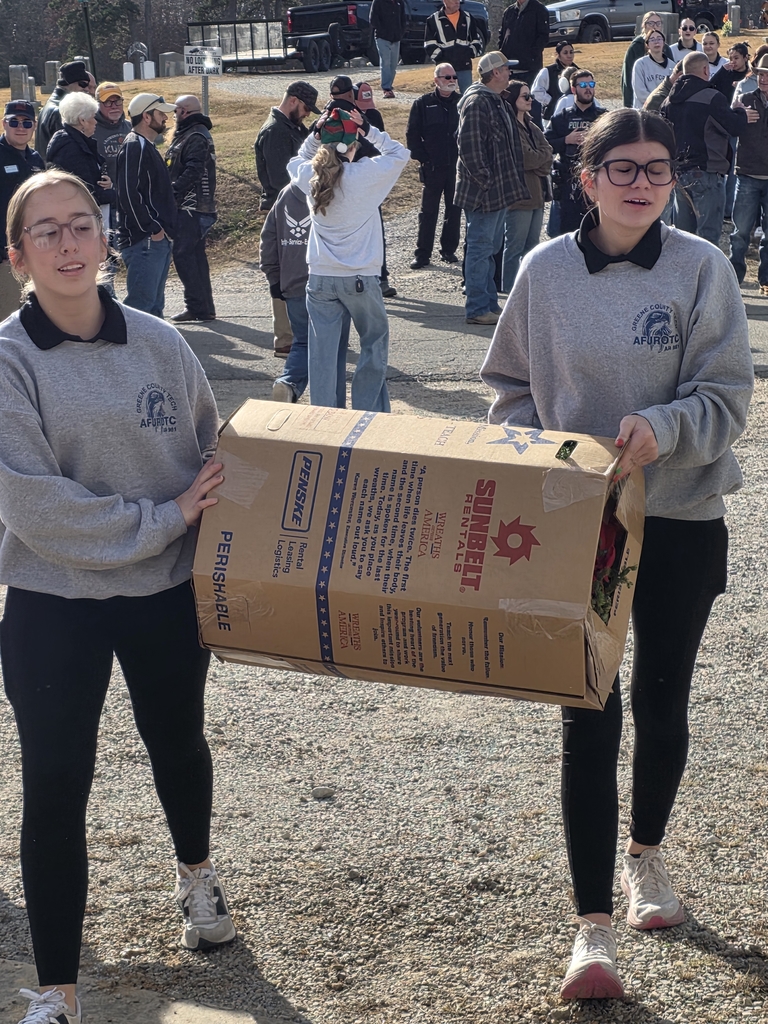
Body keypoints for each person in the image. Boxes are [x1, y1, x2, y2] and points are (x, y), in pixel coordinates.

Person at [480, 107, 753, 1002]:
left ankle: (649, 859)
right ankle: (590, 927)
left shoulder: (702, 267)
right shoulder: (543, 271)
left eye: (659, 169)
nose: (642, 183)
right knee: (586, 711)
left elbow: (726, 399)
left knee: (663, 697)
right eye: (622, 168)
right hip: (576, 526)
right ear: (586, 176)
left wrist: (663, 430)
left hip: (678, 517)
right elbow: (508, 389)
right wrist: (555, 457)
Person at [0, 168, 236, 1024]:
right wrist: (167, 515)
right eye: (47, 232)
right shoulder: (7, 360)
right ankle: (57, 989)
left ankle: (198, 879)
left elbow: (211, 445)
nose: (68, 244)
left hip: (163, 594)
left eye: (81, 226)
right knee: (56, 784)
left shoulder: (159, 342)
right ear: (19, 255)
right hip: (51, 600)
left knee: (179, 743)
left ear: (106, 240)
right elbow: (36, 507)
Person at [287, 107, 409, 411]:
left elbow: (295, 160)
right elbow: (399, 153)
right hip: (360, 277)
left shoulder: (310, 177)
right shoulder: (364, 175)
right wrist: (368, 129)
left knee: (323, 354)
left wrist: (314, 136)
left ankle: (326, 418)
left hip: (320, 278)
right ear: (353, 147)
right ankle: (369, 414)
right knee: (373, 343)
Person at [454, 51, 529, 325]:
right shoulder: (477, 102)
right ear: (495, 72)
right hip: (483, 193)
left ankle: (488, 303)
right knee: (481, 247)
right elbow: (470, 150)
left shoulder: (495, 100)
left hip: (495, 191)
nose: (510, 72)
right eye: (507, 68)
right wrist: (486, 182)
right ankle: (476, 308)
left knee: (490, 247)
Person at [259, 180, 350, 405]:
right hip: (327, 279)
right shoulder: (336, 190)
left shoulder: (286, 192)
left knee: (303, 341)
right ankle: (331, 406)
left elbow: (268, 237)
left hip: (292, 282)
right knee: (332, 347)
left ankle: (289, 382)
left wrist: (274, 278)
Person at [255, 81, 321, 356]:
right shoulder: (275, 132)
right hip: (284, 209)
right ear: (293, 101)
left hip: (297, 207)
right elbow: (282, 179)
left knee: (299, 270)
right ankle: (286, 337)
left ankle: (303, 333)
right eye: (306, 108)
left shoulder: (291, 128)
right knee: (283, 272)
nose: (307, 114)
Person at [661, 51, 752, 245]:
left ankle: (684, 275)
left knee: (683, 237)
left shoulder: (668, 101)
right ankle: (705, 276)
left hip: (678, 174)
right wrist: (739, 111)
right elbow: (734, 127)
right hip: (706, 172)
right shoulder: (711, 97)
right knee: (707, 238)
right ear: (705, 69)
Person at [325, 77, 398, 299]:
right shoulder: (348, 117)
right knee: (368, 231)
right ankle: (374, 278)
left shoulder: (327, 118)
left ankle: (364, 277)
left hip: (337, 182)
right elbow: (381, 150)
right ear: (351, 94)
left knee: (344, 233)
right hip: (354, 180)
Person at [115, 93, 178, 318]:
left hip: (154, 240)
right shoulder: (134, 146)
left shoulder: (145, 145)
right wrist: (152, 228)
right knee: (140, 310)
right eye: (161, 114)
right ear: (146, 116)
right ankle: (127, 354)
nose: (165, 119)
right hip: (145, 240)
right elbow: (128, 193)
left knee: (153, 310)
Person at [166, 94, 217, 324]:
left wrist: (172, 192)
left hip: (193, 207)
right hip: (195, 207)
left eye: (175, 111)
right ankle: (204, 308)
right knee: (195, 255)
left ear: (184, 111)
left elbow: (194, 170)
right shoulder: (192, 133)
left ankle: (195, 307)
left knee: (184, 254)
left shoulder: (195, 135)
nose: (173, 116)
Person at [406, 62, 461, 269]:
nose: (452, 81)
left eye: (454, 77)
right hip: (433, 167)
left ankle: (448, 250)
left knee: (454, 211)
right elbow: (412, 135)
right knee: (428, 212)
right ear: (436, 80)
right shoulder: (422, 103)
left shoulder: (462, 102)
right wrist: (424, 159)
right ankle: (422, 254)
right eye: (447, 77)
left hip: (456, 168)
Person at [501, 79, 552, 291]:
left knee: (532, 248)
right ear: (513, 99)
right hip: (520, 197)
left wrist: (538, 163)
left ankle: (526, 290)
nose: (530, 99)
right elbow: (526, 159)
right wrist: (539, 162)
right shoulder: (510, 127)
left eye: (530, 95)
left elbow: (548, 153)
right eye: (525, 96)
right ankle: (509, 291)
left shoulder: (531, 125)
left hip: (538, 194)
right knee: (514, 248)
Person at [545, 70, 605, 236]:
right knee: (566, 234)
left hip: (597, 182)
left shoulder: (604, 118)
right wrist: (566, 140)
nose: (588, 89)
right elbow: (544, 146)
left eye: (591, 85)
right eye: (583, 85)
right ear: (573, 89)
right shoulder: (560, 118)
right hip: (568, 185)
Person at [0, 101, 44, 320]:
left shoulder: (36, 159)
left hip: (35, 254)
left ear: (34, 126)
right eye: (13, 121)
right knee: (7, 321)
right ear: (3, 123)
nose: (20, 127)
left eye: (27, 122)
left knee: (32, 317)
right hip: (5, 258)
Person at [729, 54, 768, 294]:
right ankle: (734, 280)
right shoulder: (744, 100)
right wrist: (737, 114)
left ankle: (766, 281)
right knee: (740, 232)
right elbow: (728, 124)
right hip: (747, 175)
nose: (763, 79)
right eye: (761, 74)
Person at [46, 94, 115, 210]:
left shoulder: (77, 142)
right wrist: (114, 194)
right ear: (82, 120)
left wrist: (107, 184)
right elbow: (84, 190)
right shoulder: (70, 148)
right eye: (93, 117)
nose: (95, 122)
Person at [424, 0, 485, 95]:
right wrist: (441, 57)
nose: (457, 2)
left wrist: (470, 53)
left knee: (467, 95)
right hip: (445, 69)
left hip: (464, 65)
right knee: (445, 96)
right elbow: (429, 44)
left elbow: (476, 41)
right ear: (445, 1)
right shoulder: (433, 20)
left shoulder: (468, 18)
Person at [36, 61, 92, 159]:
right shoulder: (61, 111)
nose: (87, 89)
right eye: (82, 84)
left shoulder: (49, 105)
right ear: (66, 83)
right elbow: (65, 149)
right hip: (58, 170)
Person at [621, 12, 673, 107]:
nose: (655, 26)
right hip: (643, 105)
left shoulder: (666, 49)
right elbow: (628, 78)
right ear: (644, 25)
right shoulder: (635, 47)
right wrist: (628, 103)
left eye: (658, 23)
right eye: (651, 23)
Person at [497, 0, 550, 88]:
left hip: (529, 69)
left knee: (527, 98)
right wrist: (502, 51)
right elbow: (502, 34)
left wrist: (532, 55)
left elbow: (543, 36)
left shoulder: (539, 9)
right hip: (509, 69)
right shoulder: (509, 11)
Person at [532, 41, 579, 123]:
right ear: (558, 55)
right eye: (565, 53)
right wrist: (551, 101)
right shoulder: (547, 71)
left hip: (574, 117)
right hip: (551, 116)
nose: (569, 55)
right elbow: (536, 91)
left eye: (571, 52)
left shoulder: (578, 71)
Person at [369, 0, 406, 98]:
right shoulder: (378, 2)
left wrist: (400, 33)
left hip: (396, 38)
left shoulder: (400, 2)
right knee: (385, 62)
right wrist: (383, 31)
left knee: (393, 64)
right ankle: (386, 88)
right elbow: (373, 19)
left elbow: (403, 19)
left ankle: (389, 85)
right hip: (382, 37)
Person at [631, 29, 675, 109]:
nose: (656, 42)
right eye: (652, 39)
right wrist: (656, 103)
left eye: (659, 39)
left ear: (664, 42)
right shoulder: (640, 64)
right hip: (644, 111)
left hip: (664, 111)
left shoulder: (672, 66)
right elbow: (640, 93)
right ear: (647, 44)